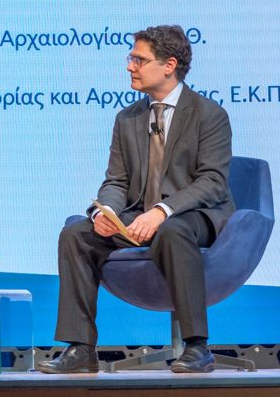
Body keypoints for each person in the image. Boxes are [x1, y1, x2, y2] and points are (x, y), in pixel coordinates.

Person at [40, 25, 234, 375]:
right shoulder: (127, 118)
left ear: (169, 65)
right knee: (76, 235)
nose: (130, 66)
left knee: (173, 230)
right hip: (138, 217)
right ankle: (81, 348)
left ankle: (197, 346)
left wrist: (161, 211)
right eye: (131, 58)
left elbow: (212, 182)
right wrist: (106, 212)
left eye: (139, 60)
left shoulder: (208, 114)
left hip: (192, 215)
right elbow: (117, 180)